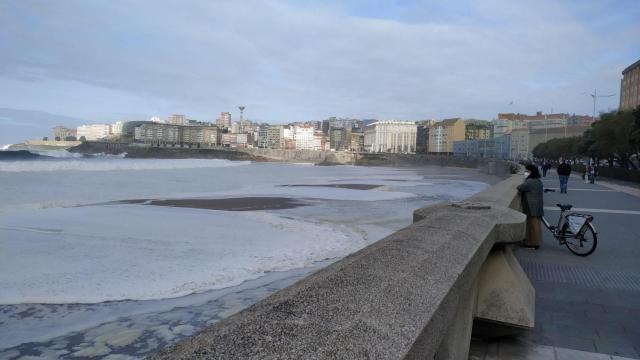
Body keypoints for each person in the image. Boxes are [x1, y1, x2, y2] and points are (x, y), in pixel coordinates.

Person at [518, 164, 544, 249]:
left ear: (531, 172)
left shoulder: (530, 181)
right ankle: (534, 242)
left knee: (532, 225)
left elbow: (520, 187)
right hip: (537, 204)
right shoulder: (538, 180)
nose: (526, 172)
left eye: (527, 171)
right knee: (536, 224)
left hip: (531, 205)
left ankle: (532, 243)